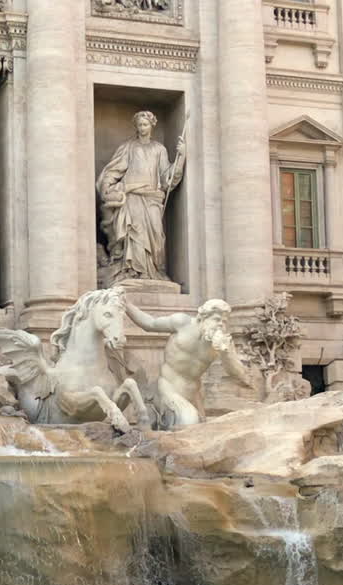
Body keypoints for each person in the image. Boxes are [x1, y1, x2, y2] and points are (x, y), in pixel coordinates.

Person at [123, 297, 252, 429]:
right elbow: (150, 324)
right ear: (202, 318)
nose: (220, 325)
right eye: (216, 320)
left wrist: (226, 354)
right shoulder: (182, 323)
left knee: (201, 432)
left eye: (224, 322)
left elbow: (239, 375)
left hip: (194, 394)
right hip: (169, 387)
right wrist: (126, 304)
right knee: (188, 422)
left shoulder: (223, 343)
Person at [97, 110, 186, 285]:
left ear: (152, 125)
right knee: (134, 234)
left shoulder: (159, 149)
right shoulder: (128, 147)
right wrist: (108, 187)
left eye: (145, 124)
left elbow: (167, 177)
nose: (142, 128)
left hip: (152, 198)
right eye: (139, 125)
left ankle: (153, 271)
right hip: (132, 197)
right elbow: (113, 171)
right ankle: (134, 271)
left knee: (156, 236)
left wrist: (181, 156)